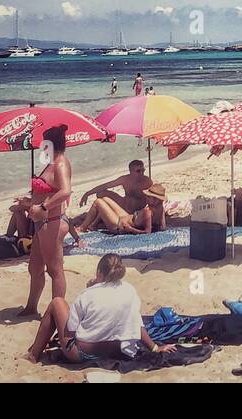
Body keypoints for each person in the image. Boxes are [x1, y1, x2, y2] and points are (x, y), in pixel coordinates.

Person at [26, 253, 174, 364]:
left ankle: (33, 355)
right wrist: (154, 348)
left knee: (57, 303)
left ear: (99, 273)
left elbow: (70, 330)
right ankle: (39, 352)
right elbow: (137, 323)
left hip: (83, 354)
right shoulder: (130, 290)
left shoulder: (87, 294)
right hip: (119, 352)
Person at [22, 126, 73, 317]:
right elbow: (48, 190)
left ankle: (57, 312)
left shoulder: (60, 164)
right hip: (42, 223)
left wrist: (43, 207)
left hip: (52, 221)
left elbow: (65, 191)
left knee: (54, 269)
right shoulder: (51, 163)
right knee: (35, 267)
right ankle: (31, 307)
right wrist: (28, 202)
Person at [80, 159, 164, 230]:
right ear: (130, 171)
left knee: (99, 203)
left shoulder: (147, 182)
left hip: (135, 213)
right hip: (124, 206)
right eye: (138, 171)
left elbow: (154, 199)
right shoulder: (125, 179)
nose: (141, 173)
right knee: (101, 193)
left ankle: (93, 222)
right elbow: (106, 185)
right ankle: (97, 220)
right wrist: (87, 193)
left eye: (143, 170)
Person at [70, 193, 154, 235]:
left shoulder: (148, 213)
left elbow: (147, 232)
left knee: (98, 202)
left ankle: (82, 228)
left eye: (148, 196)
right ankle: (93, 225)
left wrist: (130, 229)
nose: (146, 196)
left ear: (154, 199)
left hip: (119, 225)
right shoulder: (149, 208)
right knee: (105, 199)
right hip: (124, 216)